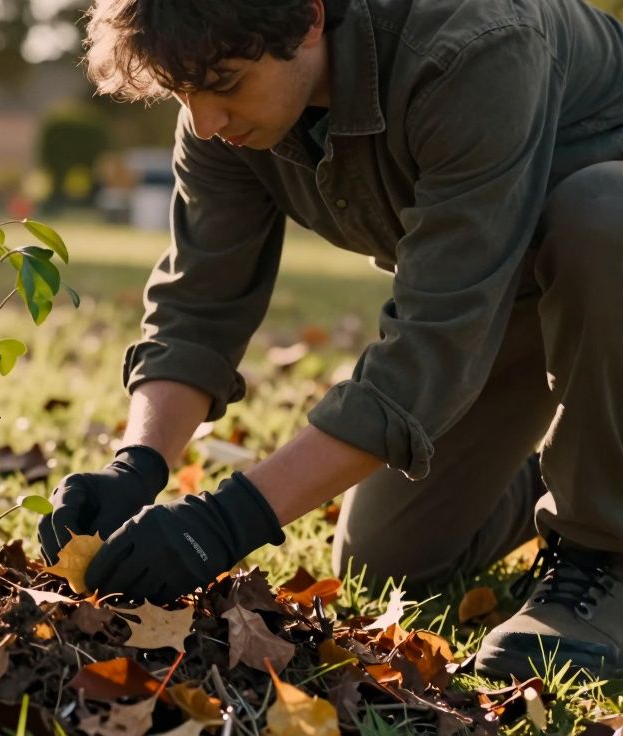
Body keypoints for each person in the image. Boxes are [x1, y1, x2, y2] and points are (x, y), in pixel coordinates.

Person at [37, 0, 623, 681]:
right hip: (509, 286)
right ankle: (588, 469)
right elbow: (198, 308)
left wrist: (226, 522)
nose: (204, 121)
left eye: (224, 86)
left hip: (601, 266)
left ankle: (603, 555)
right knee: (390, 559)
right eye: (184, 95)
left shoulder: (474, 44)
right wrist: (136, 464)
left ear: (310, 17)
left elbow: (432, 347)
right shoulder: (221, 102)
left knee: (601, 214)